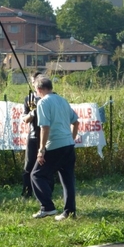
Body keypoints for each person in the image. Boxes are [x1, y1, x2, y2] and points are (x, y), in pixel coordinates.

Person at [31, 75, 79, 221]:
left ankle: (47, 207)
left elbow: (45, 127)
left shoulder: (42, 103)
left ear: (39, 89)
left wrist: (41, 149)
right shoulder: (62, 100)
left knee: (36, 175)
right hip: (68, 145)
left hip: (55, 145)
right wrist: (71, 138)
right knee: (67, 179)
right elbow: (76, 122)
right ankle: (69, 211)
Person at [21, 72, 41, 198]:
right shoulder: (29, 98)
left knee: (47, 165)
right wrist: (33, 112)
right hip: (33, 136)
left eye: (38, 81)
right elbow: (25, 119)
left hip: (48, 136)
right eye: (33, 81)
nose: (35, 83)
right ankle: (27, 192)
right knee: (28, 165)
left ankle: (47, 190)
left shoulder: (50, 96)